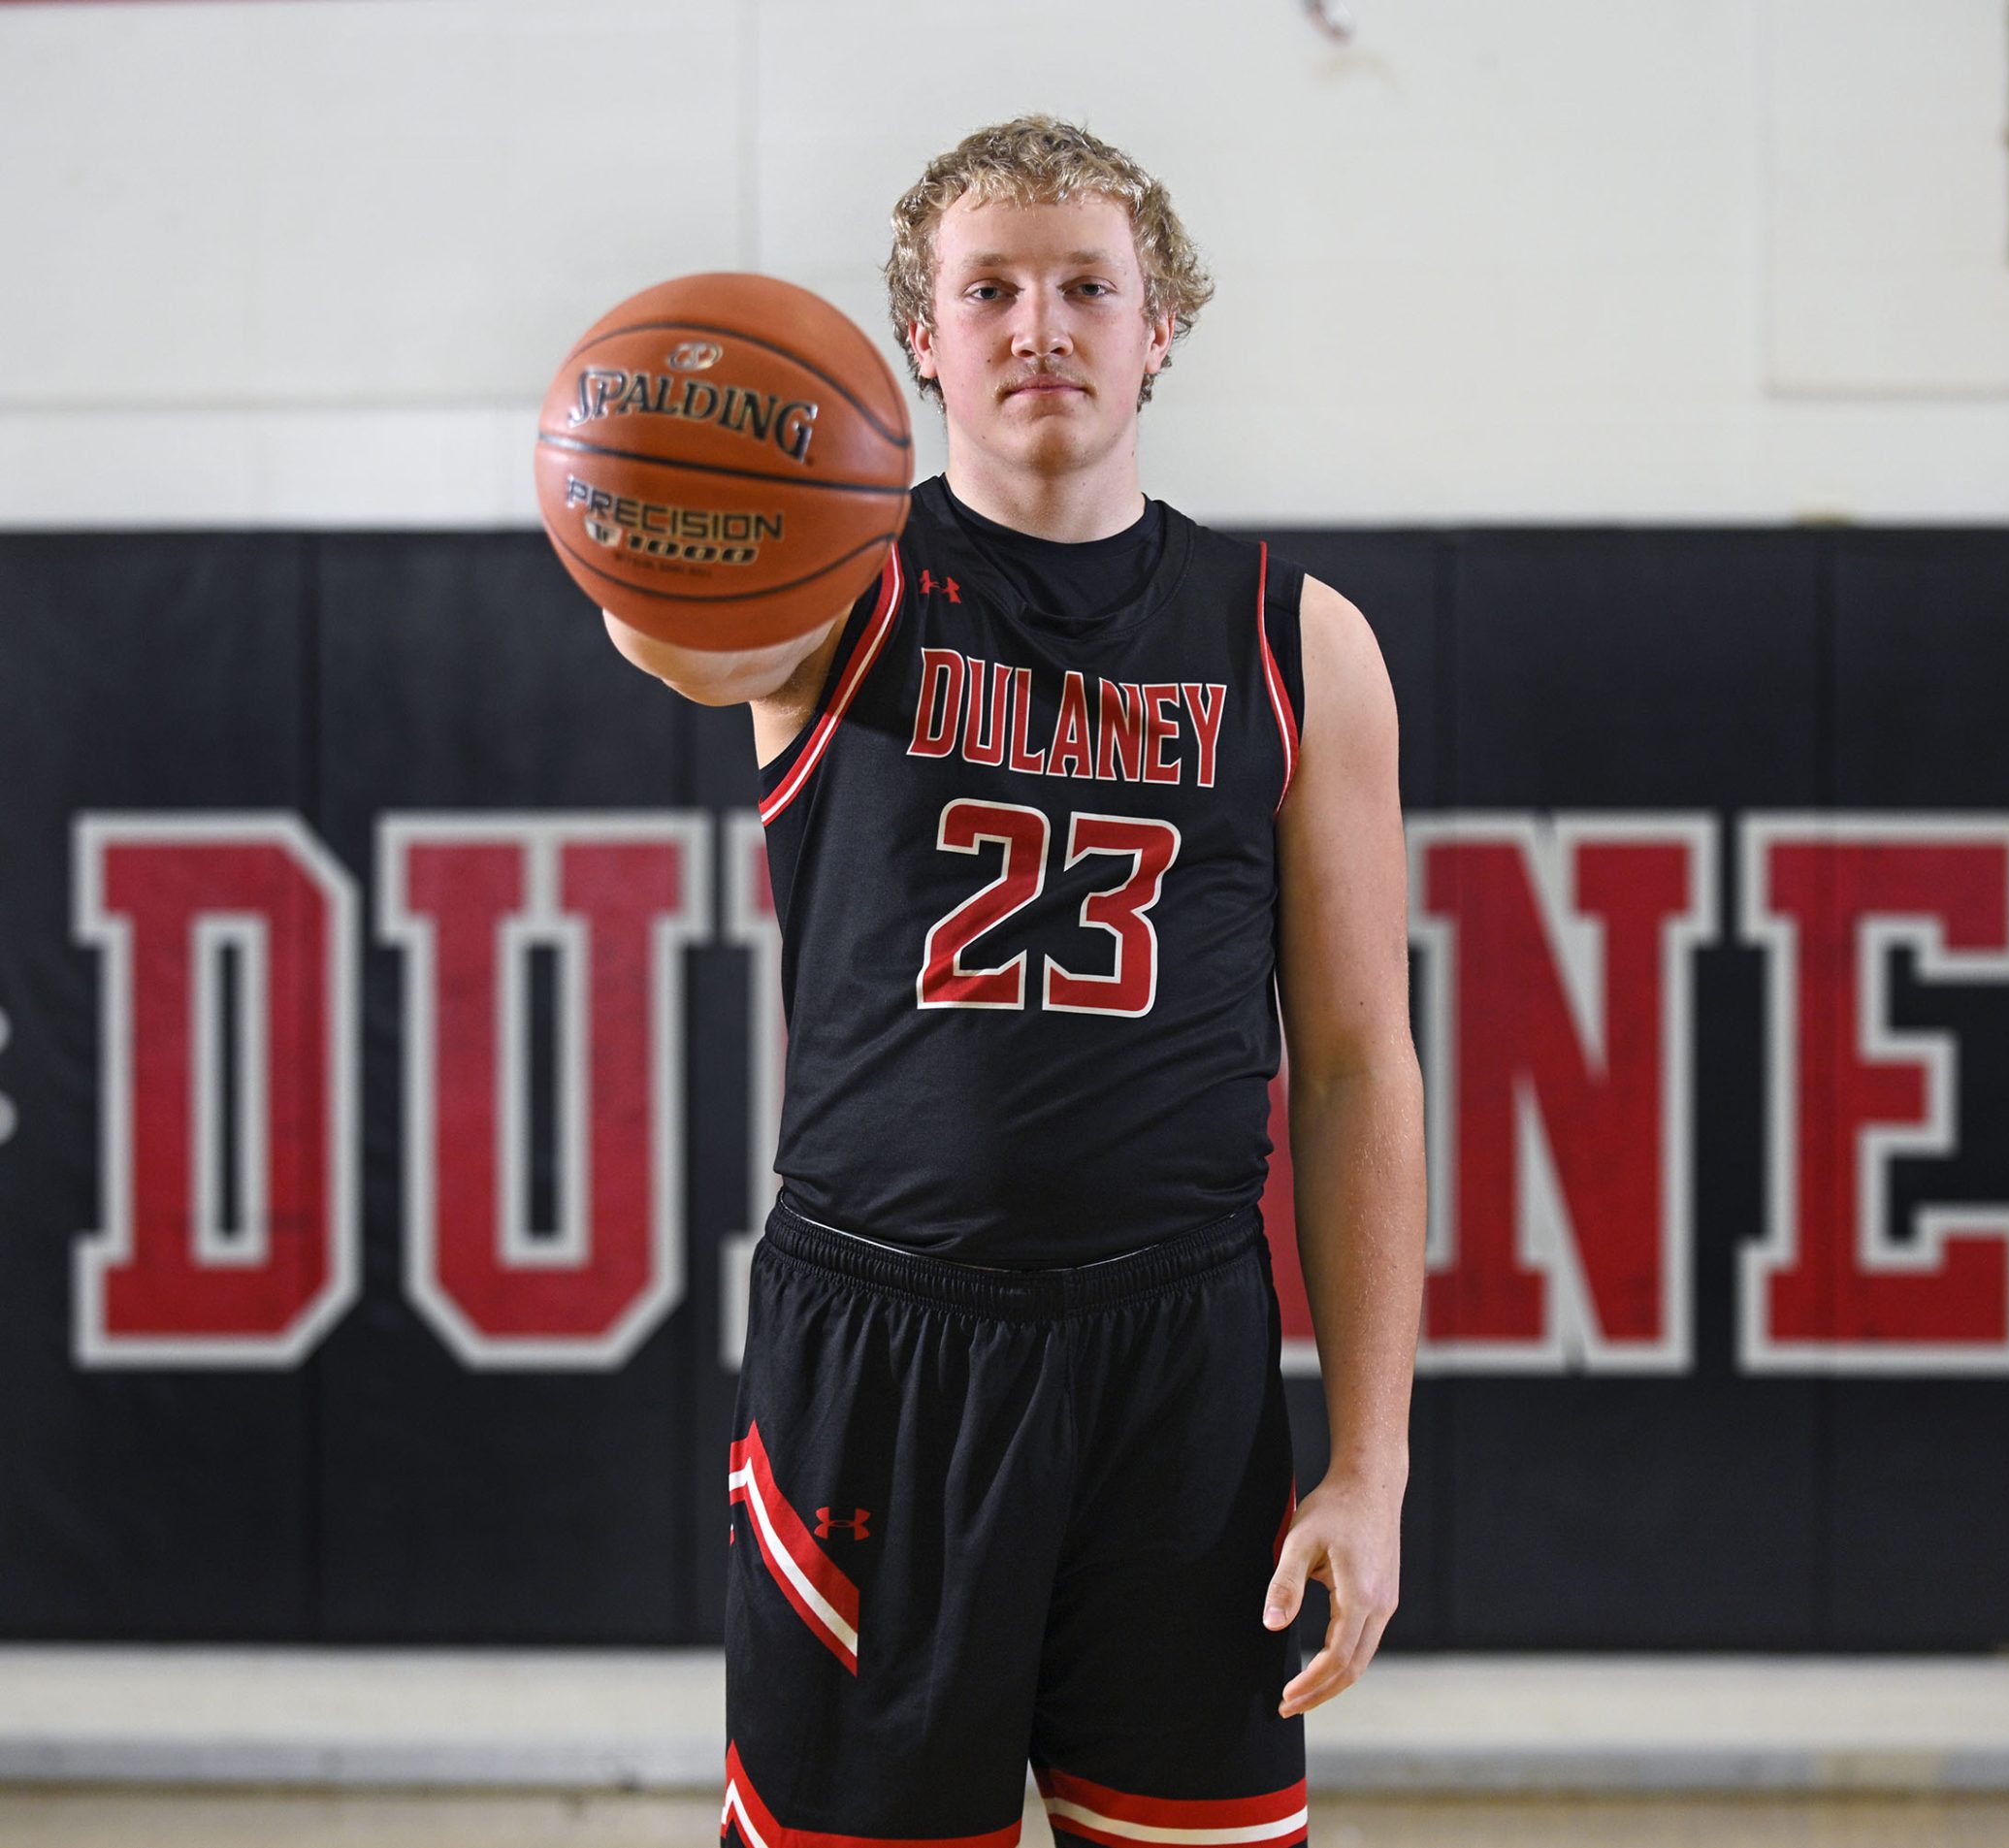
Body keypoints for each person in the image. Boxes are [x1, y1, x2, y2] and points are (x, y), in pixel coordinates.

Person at [604, 115, 1424, 1848]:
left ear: (1162, 325)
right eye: (988, 289)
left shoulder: (1297, 642)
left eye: (1084, 285)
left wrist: (1371, 1462)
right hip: (882, 1351)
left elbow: (1358, 1064)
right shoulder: (832, 592)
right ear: (919, 334)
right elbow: (673, 625)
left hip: (1177, 1363)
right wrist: (630, 481)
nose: (1037, 323)